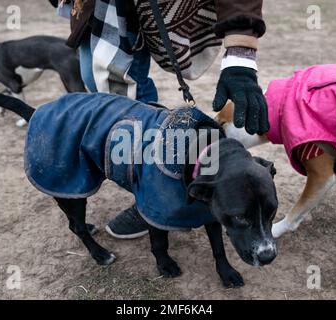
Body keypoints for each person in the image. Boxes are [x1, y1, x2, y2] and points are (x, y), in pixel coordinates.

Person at [49, 0, 269, 239]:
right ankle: (150, 181)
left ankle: (155, 189)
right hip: (98, 9)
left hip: (153, 8)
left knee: (128, 84)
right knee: (98, 81)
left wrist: (240, 57)